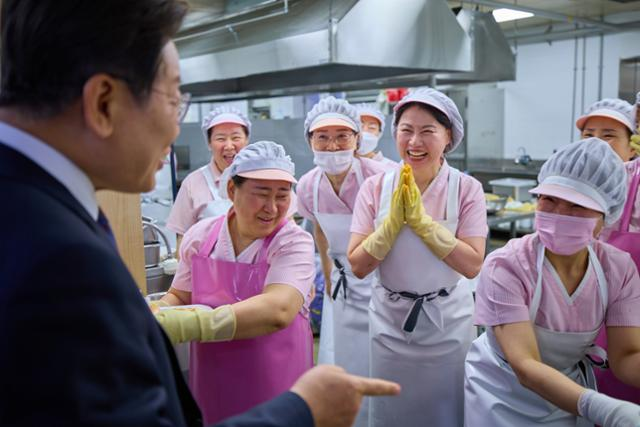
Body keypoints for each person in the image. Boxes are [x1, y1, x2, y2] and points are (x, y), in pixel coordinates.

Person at [0, 1, 400, 426]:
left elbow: (279, 309)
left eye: (282, 195)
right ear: (103, 102)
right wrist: (303, 410)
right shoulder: (58, 254)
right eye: (175, 101)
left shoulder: (46, 211)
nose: (176, 129)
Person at [465, 137, 640, 427]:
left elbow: (626, 357)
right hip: (500, 394)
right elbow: (526, 365)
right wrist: (605, 409)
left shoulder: (618, 269)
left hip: (568, 393)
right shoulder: (506, 265)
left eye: (577, 206)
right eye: (549, 199)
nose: (559, 214)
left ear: (606, 215)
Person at [348, 87, 488, 427]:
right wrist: (390, 226)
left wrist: (424, 225)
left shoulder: (465, 188)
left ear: (449, 136)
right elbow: (358, 265)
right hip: (389, 324)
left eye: (428, 131)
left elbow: (472, 265)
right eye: (406, 130)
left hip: (448, 324)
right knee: (391, 411)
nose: (415, 142)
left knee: (446, 411)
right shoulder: (375, 188)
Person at [154, 141, 316, 424]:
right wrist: (156, 313)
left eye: (282, 195)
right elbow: (180, 295)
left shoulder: (293, 242)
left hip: (274, 377)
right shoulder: (201, 236)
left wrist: (191, 324)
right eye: (261, 194)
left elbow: (278, 310)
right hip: (213, 375)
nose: (272, 207)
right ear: (232, 190)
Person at [296, 96, 391, 427]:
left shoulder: (381, 177)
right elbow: (320, 231)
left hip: (383, 283)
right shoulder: (308, 186)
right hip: (342, 284)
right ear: (310, 140)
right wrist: (327, 275)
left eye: (342, 136)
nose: (332, 145)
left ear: (357, 140)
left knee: (381, 360)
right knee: (347, 357)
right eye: (322, 137)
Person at [577, 98, 640, 405]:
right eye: (589, 135)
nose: (597, 145)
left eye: (609, 135)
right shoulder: (586, 190)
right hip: (600, 314)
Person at [167, 107, 251, 253]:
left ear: (247, 141)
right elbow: (183, 239)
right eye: (220, 139)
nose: (229, 146)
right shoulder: (192, 183)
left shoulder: (264, 177)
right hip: (207, 267)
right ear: (209, 144)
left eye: (236, 137)